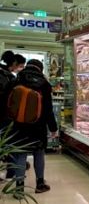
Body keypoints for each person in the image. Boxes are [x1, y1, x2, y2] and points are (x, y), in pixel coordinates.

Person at [8, 59, 58, 196]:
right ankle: (40, 184)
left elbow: (8, 104)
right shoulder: (44, 84)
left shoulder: (16, 80)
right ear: (40, 69)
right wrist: (53, 128)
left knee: (21, 153)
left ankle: (19, 188)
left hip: (18, 124)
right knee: (39, 152)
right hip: (38, 125)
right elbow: (48, 110)